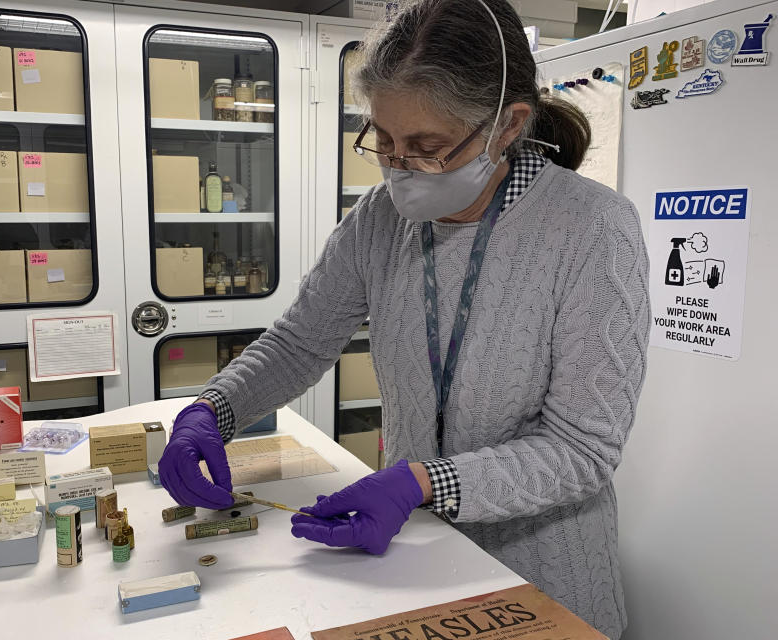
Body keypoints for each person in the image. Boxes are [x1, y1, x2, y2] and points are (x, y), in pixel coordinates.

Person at [158, 1, 649, 637]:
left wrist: (424, 482)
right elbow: (302, 342)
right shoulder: (377, 220)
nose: (398, 168)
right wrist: (213, 409)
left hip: (544, 574)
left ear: (507, 125)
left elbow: (582, 450)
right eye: (383, 142)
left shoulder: (592, 231)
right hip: (415, 551)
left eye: (426, 147)